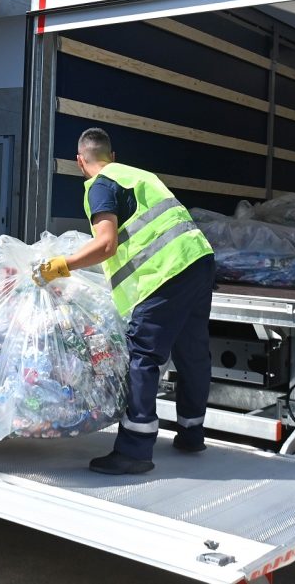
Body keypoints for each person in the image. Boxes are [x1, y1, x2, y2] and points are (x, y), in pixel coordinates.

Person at [33, 128, 215, 475]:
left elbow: (106, 244)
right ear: (112, 156)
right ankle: (191, 433)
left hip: (164, 272)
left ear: (80, 162)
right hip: (198, 260)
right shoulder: (138, 175)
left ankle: (135, 449)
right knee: (192, 351)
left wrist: (59, 267)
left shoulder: (99, 185)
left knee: (143, 356)